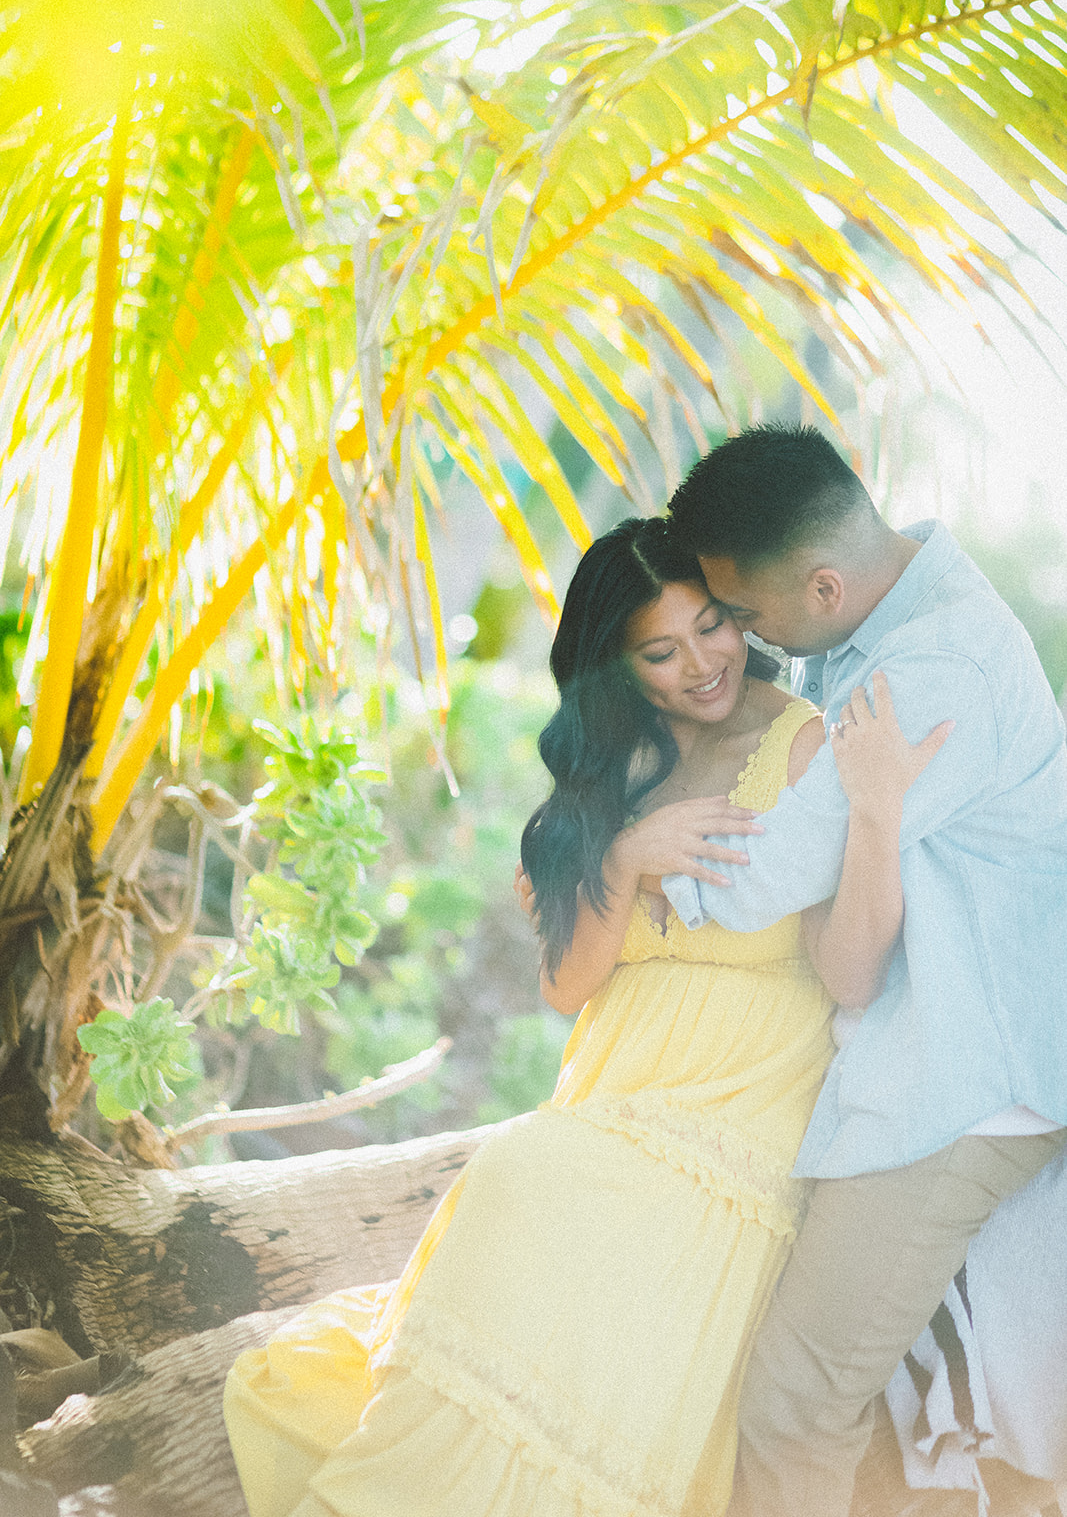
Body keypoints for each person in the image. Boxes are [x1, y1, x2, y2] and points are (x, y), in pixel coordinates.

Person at [222, 515, 945, 1517]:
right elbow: (566, 985)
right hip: (614, 1095)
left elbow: (852, 972)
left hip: (738, 1116)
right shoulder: (612, 772)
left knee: (535, 1176)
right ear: (615, 664)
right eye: (661, 649)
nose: (701, 663)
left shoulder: (800, 741)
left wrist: (873, 812)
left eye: (711, 627)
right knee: (522, 1172)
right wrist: (621, 857)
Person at [663, 423, 1067, 1517]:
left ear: (826, 584)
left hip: (963, 1085)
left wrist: (626, 856)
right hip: (937, 1047)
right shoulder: (906, 624)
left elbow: (747, 878)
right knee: (886, 1416)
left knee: (796, 1396)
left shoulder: (930, 673)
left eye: (743, 617)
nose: (743, 645)